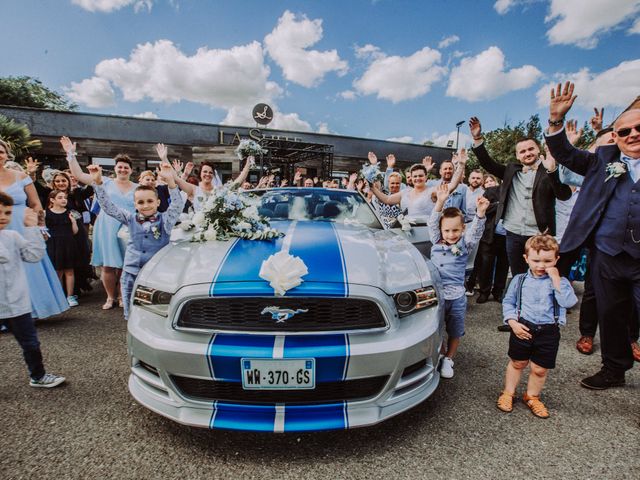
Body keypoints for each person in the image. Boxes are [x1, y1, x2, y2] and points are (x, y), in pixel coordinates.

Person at [545, 81, 640, 389]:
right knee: (610, 314)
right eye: (624, 131)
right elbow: (565, 154)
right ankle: (614, 370)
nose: (632, 135)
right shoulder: (603, 160)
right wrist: (556, 121)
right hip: (608, 254)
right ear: (616, 136)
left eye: (638, 128)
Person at [470, 118, 572, 275]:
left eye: (531, 149)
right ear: (518, 156)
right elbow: (488, 164)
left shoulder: (549, 170)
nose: (527, 153)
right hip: (513, 232)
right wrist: (477, 139)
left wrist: (552, 172)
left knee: (541, 274)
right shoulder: (511, 170)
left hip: (540, 233)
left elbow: (564, 195)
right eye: (522, 151)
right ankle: (519, 299)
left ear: (538, 150)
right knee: (518, 274)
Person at [88, 161, 184, 319]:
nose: (145, 205)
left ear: (158, 202)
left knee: (155, 311)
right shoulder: (130, 218)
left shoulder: (165, 220)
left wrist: (171, 182)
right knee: (131, 308)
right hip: (131, 271)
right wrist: (98, 183)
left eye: (150, 201)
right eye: (140, 202)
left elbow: (177, 205)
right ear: (135, 205)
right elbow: (108, 207)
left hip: (156, 273)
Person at [497, 235, 577, 418]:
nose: (541, 266)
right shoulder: (519, 280)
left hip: (548, 331)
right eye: (536, 260)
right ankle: (508, 392)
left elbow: (568, 302)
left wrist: (556, 280)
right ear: (526, 259)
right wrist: (512, 322)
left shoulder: (560, 282)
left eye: (547, 261)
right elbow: (508, 302)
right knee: (518, 362)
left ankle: (532, 396)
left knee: (540, 369)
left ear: (556, 259)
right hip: (523, 327)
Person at [61, 136, 138, 310]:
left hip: (128, 227)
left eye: (126, 167)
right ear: (115, 169)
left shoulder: (137, 187)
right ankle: (110, 297)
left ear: (131, 170)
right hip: (107, 226)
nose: (123, 169)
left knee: (126, 265)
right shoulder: (103, 181)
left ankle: (122, 295)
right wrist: (70, 154)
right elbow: (78, 175)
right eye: (120, 167)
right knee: (109, 265)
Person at [0, 192, 65, 387]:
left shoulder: (12, 236)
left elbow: (33, 255)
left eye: (7, 212)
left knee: (31, 344)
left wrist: (31, 229)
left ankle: (38, 375)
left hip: (17, 304)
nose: (3, 216)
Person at [0, 140, 69, 320]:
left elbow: (36, 203)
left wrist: (39, 225)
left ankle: (31, 311)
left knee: (28, 267)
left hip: (23, 226)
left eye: (1, 151)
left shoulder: (21, 176)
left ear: (7, 155)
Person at [428, 184, 488, 378]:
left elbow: (476, 233)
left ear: (462, 229)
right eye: (447, 231)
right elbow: (432, 222)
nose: (451, 234)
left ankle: (449, 358)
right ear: (441, 230)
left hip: (456, 296)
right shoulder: (436, 240)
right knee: (437, 327)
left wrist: (479, 214)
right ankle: (442, 353)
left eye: (455, 230)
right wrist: (440, 202)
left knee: (455, 328)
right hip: (437, 294)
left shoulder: (465, 244)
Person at [371, 150, 466, 218]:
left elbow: (453, 185)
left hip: (426, 233)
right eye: (415, 176)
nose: (417, 178)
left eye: (420, 176)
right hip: (407, 232)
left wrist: (461, 165)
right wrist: (373, 189)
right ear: (411, 178)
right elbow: (387, 199)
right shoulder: (405, 192)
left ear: (426, 177)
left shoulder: (432, 191)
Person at [475, 176, 509, 305]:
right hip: (490, 234)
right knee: (486, 265)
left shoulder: (517, 194)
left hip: (508, 235)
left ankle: (498, 292)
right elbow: (481, 209)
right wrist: (500, 205)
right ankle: (484, 292)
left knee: (503, 265)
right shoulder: (491, 191)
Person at [45, 190, 79, 307]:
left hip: (68, 243)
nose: (64, 199)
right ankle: (59, 296)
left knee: (69, 270)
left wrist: (73, 222)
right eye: (60, 197)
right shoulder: (47, 214)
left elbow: (75, 232)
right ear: (52, 200)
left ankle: (70, 296)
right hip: (54, 244)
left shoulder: (70, 213)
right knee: (57, 271)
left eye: (64, 197)